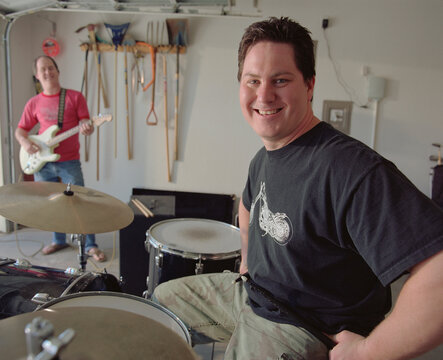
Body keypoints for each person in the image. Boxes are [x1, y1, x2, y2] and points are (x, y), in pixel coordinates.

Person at [153, 17, 443, 359]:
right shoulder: (264, 158)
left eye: (280, 80)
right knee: (157, 305)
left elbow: (437, 273)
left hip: (304, 326)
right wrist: (248, 261)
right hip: (255, 294)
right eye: (253, 81)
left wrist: (367, 351)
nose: (264, 94)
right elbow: (247, 208)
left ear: (309, 86)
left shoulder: (349, 168)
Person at [15, 55, 106, 262]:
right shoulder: (34, 103)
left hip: (69, 160)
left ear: (57, 70)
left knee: (80, 202)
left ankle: (90, 244)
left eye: (50, 67)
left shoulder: (75, 97)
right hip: (42, 162)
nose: (47, 72)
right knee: (51, 204)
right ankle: (58, 239)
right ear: (37, 76)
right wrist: (25, 143)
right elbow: (20, 131)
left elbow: (86, 123)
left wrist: (87, 127)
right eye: (42, 70)